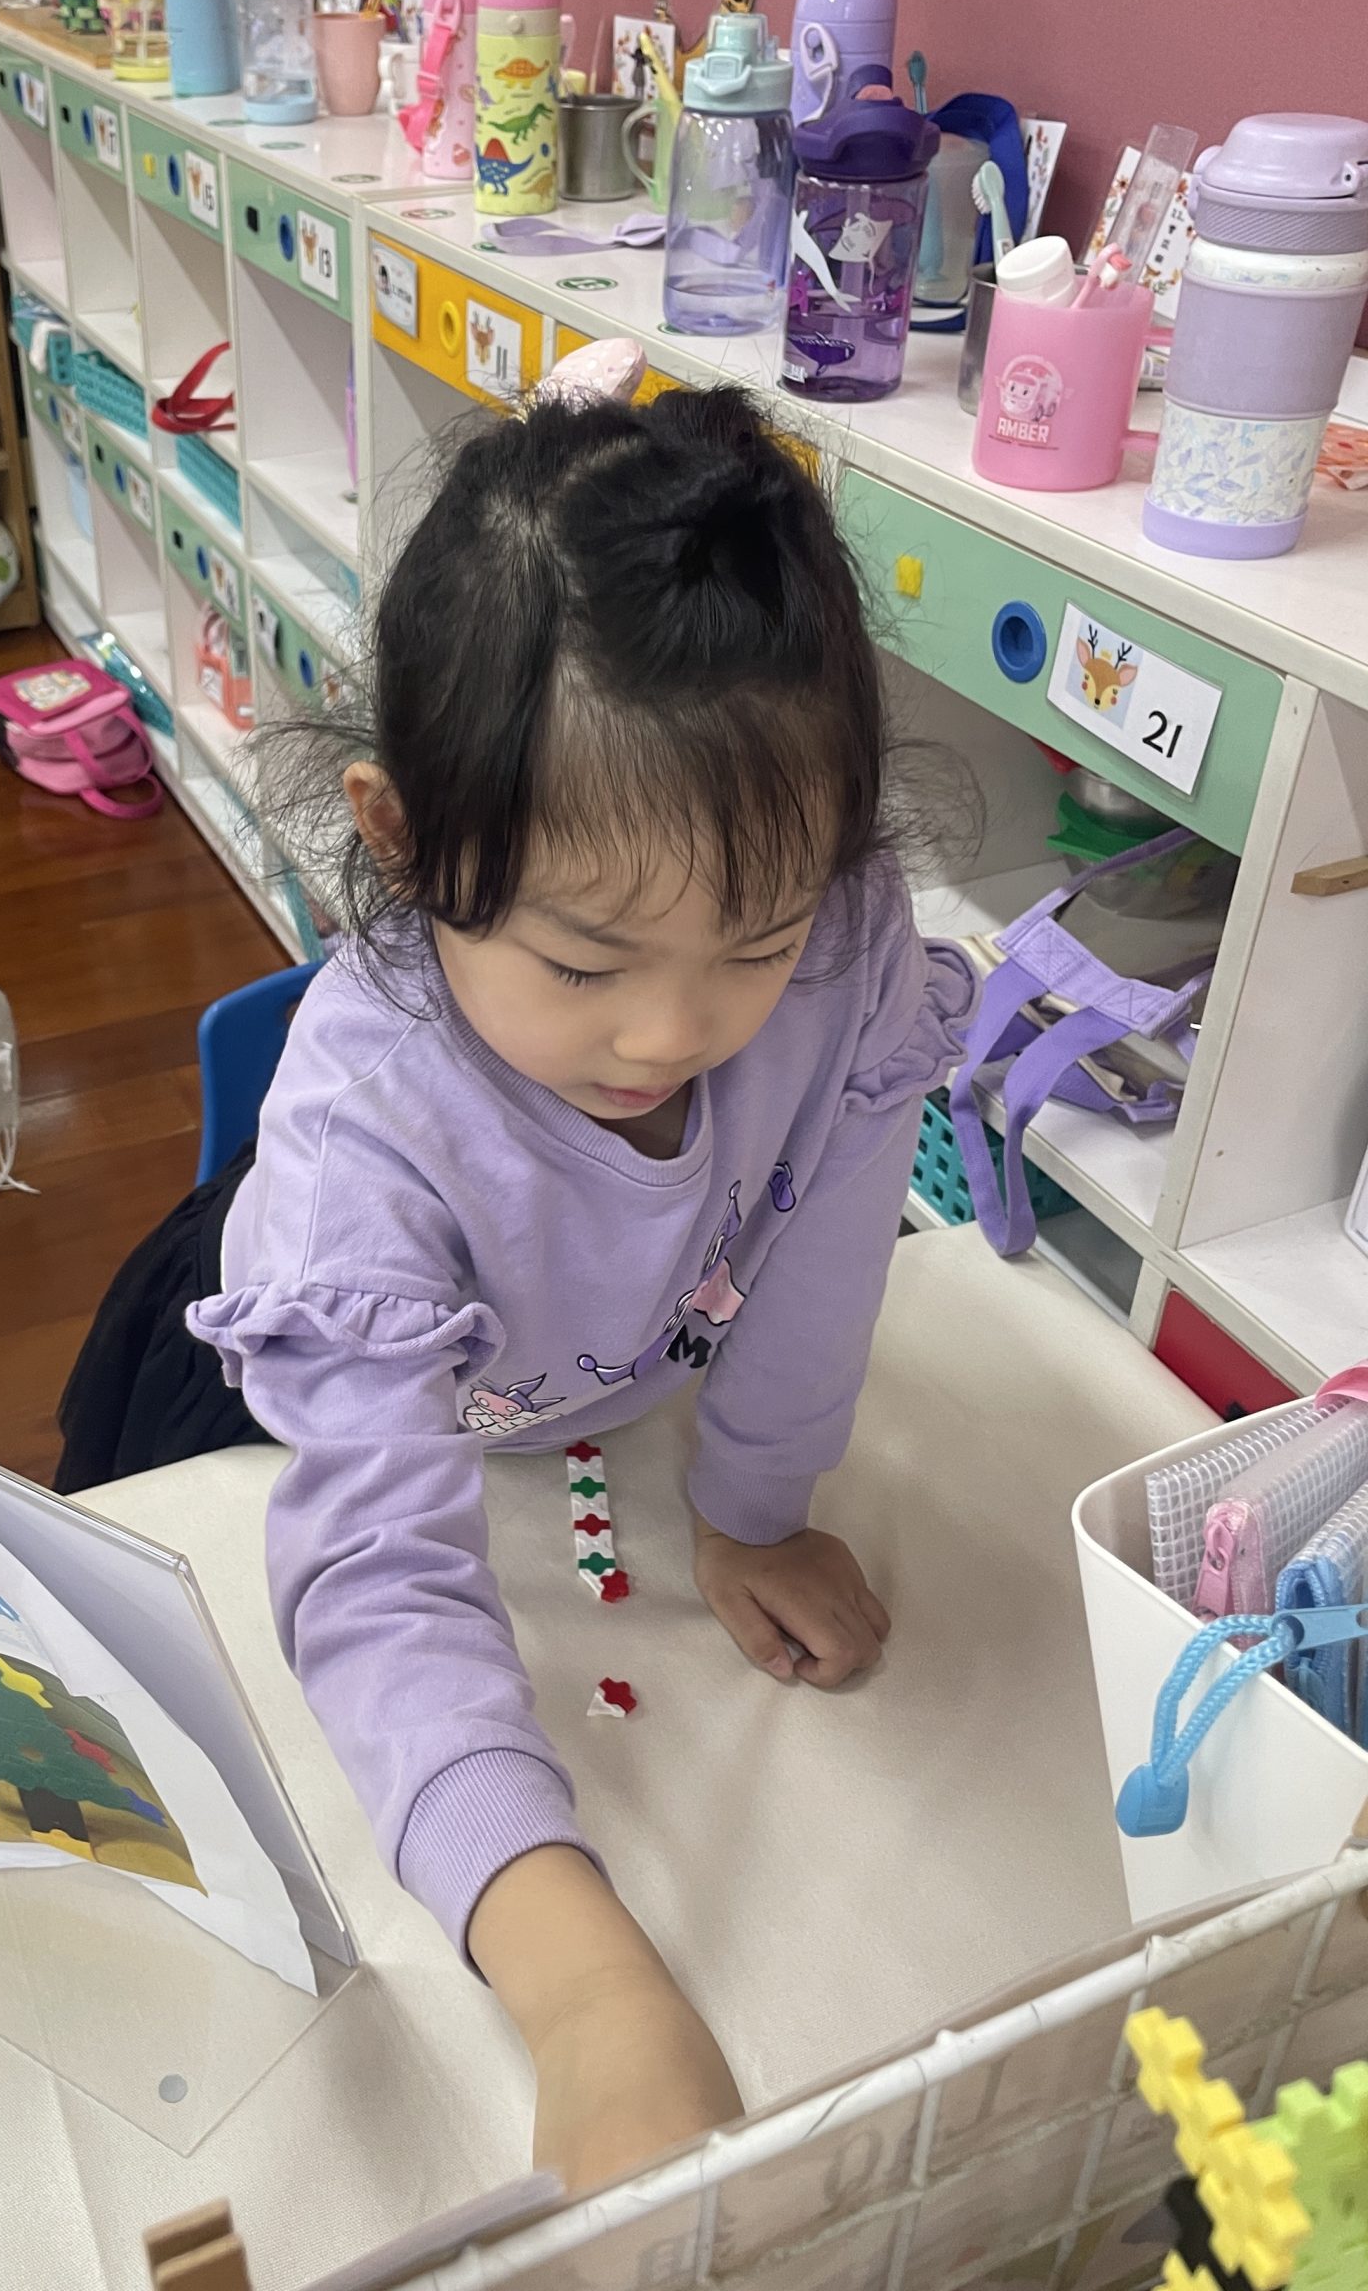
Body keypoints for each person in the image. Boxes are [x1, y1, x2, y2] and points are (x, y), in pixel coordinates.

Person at [57, 380, 974, 2189]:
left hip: (587, 1385)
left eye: (758, 944)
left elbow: (829, 1237)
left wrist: (753, 1507)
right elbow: (377, 1583)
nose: (672, 1035)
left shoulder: (853, 946)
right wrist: (587, 1997)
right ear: (404, 842)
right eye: (584, 962)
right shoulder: (365, 1154)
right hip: (259, 1396)